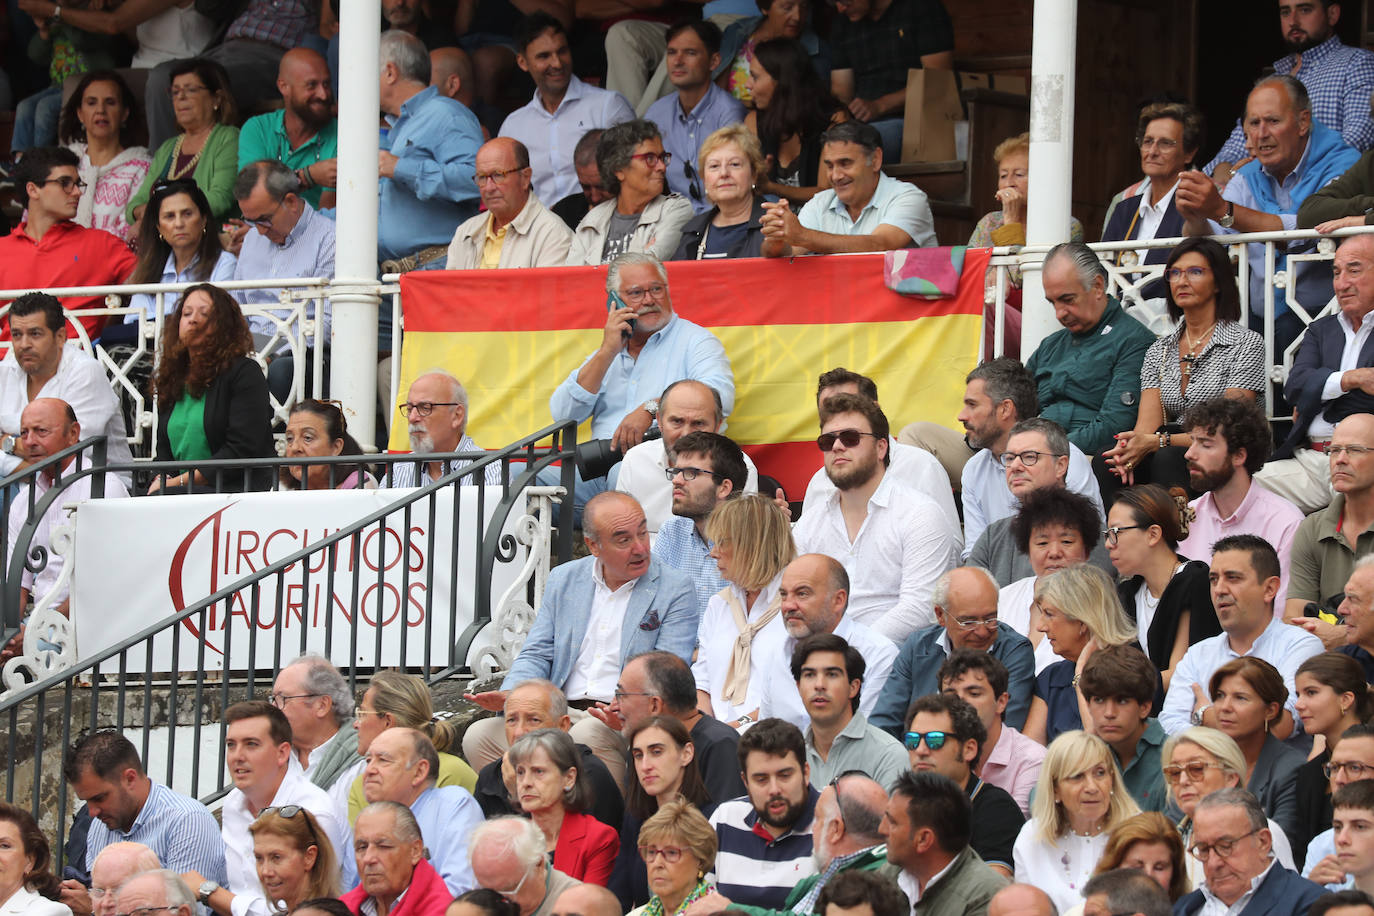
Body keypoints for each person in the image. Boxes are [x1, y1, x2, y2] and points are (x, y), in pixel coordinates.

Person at [466, 491, 697, 788]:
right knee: (479, 737)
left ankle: (595, 829)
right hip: (558, 713)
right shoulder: (565, 578)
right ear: (593, 546)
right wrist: (512, 694)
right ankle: (529, 820)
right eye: (624, 539)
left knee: (585, 736)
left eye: (642, 532)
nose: (640, 548)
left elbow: (669, 673)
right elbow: (538, 652)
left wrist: (628, 712)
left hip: (616, 718)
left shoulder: (675, 588)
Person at [1178, 76, 1360, 355]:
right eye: (1253, 123)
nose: (1261, 133)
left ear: (1302, 122)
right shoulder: (1248, 175)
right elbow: (1213, 239)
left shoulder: (1344, 164)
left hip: (1331, 323)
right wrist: (1195, 216)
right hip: (1259, 322)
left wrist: (1222, 210)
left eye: (1273, 121)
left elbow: (1309, 228)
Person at [548, 252, 734, 508]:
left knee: (623, 474)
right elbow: (562, 413)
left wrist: (653, 407)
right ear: (614, 302)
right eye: (636, 293)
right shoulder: (607, 353)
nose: (649, 300)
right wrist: (607, 352)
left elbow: (721, 397)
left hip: (666, 469)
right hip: (596, 473)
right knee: (516, 481)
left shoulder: (696, 341)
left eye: (656, 289)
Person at [1097, 237, 1266, 502]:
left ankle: (1180, 541)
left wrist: (1160, 442)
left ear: (1219, 282)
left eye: (1195, 272)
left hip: (1225, 449)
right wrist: (1129, 449)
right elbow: (1147, 428)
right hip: (1171, 445)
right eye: (1174, 273)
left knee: (1170, 457)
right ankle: (1123, 537)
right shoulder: (1159, 349)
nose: (1181, 281)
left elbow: (1230, 428)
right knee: (1109, 460)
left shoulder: (1245, 343)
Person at [792, 393, 960, 642]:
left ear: (881, 447)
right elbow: (794, 600)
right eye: (828, 440)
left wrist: (845, 651)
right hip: (819, 662)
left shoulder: (920, 513)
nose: (837, 446)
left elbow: (919, 609)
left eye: (850, 438)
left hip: (896, 666)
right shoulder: (810, 523)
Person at [189, 701, 347, 916]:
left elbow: (307, 910)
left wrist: (211, 894)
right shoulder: (234, 803)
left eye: (251, 744)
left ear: (282, 753)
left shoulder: (314, 812)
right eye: (231, 745)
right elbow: (240, 890)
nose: (237, 756)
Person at [1256, 234, 1374, 517]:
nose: (1342, 283)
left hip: (1363, 459)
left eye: (1354, 270)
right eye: (1336, 272)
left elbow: (1314, 391)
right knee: (1248, 490)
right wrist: (1351, 380)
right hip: (1311, 458)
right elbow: (1294, 388)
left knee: (1351, 503)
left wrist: (1319, 391)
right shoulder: (1321, 329)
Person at [1160, 535, 1325, 735]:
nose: (1219, 589)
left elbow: (1281, 726)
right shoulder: (1197, 654)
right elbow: (1169, 727)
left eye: (1233, 577)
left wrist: (1204, 714)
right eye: (1213, 579)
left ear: (1270, 589)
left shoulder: (1300, 646)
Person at [951, 358, 1105, 555]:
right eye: (1011, 459)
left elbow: (1088, 547)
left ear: (1005, 409)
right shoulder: (974, 468)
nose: (962, 416)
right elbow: (976, 552)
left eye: (972, 405)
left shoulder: (1065, 457)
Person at [62, 730, 225, 913]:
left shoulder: (187, 821)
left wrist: (91, 909)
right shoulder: (100, 824)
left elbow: (190, 912)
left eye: (100, 798)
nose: (92, 812)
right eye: (87, 801)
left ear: (130, 779)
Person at [1207, 0, 1374, 177]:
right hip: (1259, 195)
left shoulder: (1357, 64)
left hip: (1324, 194)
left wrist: (1267, 167)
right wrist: (1223, 171)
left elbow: (1356, 139)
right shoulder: (1273, 78)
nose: (1293, 21)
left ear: (1332, 14)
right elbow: (1237, 144)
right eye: (1285, 12)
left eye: (1305, 10)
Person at [1024, 243, 1158, 459]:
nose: (1059, 314)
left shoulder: (1133, 341)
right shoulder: (1051, 344)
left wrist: (1043, 452)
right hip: (1029, 454)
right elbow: (1014, 404)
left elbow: (1114, 426)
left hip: (1083, 458)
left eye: (1068, 300)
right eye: (1053, 302)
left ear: (1097, 286)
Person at [695, 772, 889, 916]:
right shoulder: (823, 877)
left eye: (818, 819)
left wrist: (728, 910)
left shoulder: (876, 880)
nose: (813, 829)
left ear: (836, 829)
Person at [873, 567, 1034, 738]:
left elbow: (1006, 728)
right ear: (940, 615)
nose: (982, 631)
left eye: (990, 619)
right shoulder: (919, 647)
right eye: (968, 622)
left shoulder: (1015, 651)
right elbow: (884, 723)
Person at [6, 398, 131, 617]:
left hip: (94, 625)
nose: (29, 442)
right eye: (24, 433)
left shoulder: (104, 489)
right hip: (41, 627)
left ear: (73, 434)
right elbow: (16, 584)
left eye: (41, 431)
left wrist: (38, 629)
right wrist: (11, 631)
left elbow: (101, 580)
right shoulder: (23, 500)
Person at [801, 368, 962, 538]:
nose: (838, 414)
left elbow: (951, 545)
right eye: (829, 410)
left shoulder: (921, 465)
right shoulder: (818, 482)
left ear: (874, 410)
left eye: (848, 405)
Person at [0, 147, 137, 344]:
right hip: (8, 366)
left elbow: (154, 285)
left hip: (74, 367)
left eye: (77, 184)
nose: (77, 192)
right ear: (33, 189)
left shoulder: (102, 245)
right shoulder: (2, 250)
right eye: (65, 183)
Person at [148, 284, 275, 492]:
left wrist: (175, 483)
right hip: (179, 494)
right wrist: (159, 478)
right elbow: (163, 454)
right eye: (186, 313)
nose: (193, 319)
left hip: (232, 493)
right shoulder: (171, 378)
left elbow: (240, 451)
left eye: (204, 313)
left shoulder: (244, 373)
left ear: (224, 325)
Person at [375, 30, 483, 276]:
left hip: (437, 268)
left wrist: (401, 168)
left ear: (390, 72)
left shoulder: (446, 113)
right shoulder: (398, 126)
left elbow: (475, 181)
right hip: (394, 276)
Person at [499, 13, 634, 209]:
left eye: (562, 51)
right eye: (544, 56)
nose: (557, 63)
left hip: (603, 227)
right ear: (522, 62)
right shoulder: (514, 126)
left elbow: (635, 174)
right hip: (541, 235)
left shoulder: (608, 106)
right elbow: (507, 192)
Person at [1178, 397, 1304, 606]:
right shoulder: (1187, 515)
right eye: (1192, 441)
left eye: (1205, 445)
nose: (1189, 453)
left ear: (1239, 456)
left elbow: (1282, 615)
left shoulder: (1285, 523)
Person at [970, 133, 1085, 357]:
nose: (1009, 183)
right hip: (990, 317)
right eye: (1003, 175)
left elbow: (1021, 279)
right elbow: (970, 273)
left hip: (1041, 320)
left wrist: (1011, 223)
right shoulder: (988, 223)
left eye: (1019, 174)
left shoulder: (1065, 226)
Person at [230, 160, 336, 404]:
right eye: (251, 222)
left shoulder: (330, 239)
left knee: (279, 371)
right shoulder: (253, 241)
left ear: (290, 201)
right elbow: (237, 309)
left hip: (302, 353)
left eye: (264, 220)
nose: (260, 231)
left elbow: (329, 324)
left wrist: (271, 350)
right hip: (251, 349)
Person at [967, 417, 1117, 587]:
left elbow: (1083, 604)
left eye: (1029, 457)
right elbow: (968, 598)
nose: (1015, 466)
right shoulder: (993, 535)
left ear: (1061, 465)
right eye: (1009, 458)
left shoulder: (1091, 532)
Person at [0, 292, 134, 479]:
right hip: (22, 484)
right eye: (16, 335)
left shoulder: (85, 372)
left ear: (61, 336)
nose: (24, 344)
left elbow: (68, 455)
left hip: (92, 487)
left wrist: (8, 443)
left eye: (35, 334)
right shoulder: (5, 371)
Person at [757, 553, 897, 731]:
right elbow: (766, 735)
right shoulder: (777, 652)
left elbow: (865, 739)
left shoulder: (878, 654)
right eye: (784, 595)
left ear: (838, 601)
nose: (788, 606)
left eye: (802, 594)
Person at [463, 679, 624, 830]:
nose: (519, 732)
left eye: (533, 720)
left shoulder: (588, 773)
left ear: (562, 725)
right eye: (511, 720)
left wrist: (518, 796)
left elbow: (577, 850)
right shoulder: (491, 776)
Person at [1011, 730, 1142, 914]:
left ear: (1112, 779)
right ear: (1055, 789)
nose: (1092, 787)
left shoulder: (1137, 833)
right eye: (1077, 776)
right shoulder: (1033, 836)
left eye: (1100, 773)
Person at [693, 493, 796, 725]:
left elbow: (795, 693)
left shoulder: (797, 607)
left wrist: (736, 727)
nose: (713, 553)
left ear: (752, 544)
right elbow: (702, 680)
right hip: (718, 736)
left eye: (722, 542)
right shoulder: (719, 604)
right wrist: (705, 729)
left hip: (773, 737)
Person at [760, 121, 935, 257]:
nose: (835, 176)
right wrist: (776, 239)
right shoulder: (820, 203)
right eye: (829, 166)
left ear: (875, 160)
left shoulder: (908, 197)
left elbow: (880, 244)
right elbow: (790, 251)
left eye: (845, 164)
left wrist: (802, 235)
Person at [595, 651, 745, 805]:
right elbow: (635, 823)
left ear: (655, 705)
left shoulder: (721, 745)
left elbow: (724, 825)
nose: (614, 706)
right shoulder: (641, 745)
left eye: (621, 695)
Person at [1109, 484, 1220, 689]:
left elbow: (1181, 674)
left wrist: (1117, 687)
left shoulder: (1194, 580)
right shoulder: (1127, 593)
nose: (1108, 543)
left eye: (1115, 532)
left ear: (1153, 534)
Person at [904, 692, 1024, 877]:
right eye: (912, 740)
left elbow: (991, 890)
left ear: (969, 749)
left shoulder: (996, 809)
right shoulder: (903, 804)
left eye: (935, 740)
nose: (920, 750)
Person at [616, 381, 758, 538]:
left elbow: (740, 540)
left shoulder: (740, 466)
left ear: (717, 426)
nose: (686, 434)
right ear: (660, 421)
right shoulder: (636, 460)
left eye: (698, 423)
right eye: (677, 421)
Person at [1162, 727, 1297, 887]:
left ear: (1230, 778)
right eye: (1175, 772)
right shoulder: (1168, 840)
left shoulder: (1263, 830)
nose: (1183, 780)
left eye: (1196, 769)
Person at [1023, 565, 1143, 744]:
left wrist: (1080, 674)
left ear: (1083, 621)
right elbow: (1029, 756)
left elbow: (1101, 747)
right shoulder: (1051, 678)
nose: (1040, 626)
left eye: (1049, 614)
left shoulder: (1134, 673)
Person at [708, 718, 819, 907]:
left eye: (784, 776)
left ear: (806, 773)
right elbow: (699, 903)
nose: (774, 789)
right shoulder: (724, 819)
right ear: (745, 782)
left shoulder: (832, 824)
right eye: (761, 779)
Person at [826, 0, 953, 163]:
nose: (840, 8)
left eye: (845, 1)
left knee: (858, 148)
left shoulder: (922, 7)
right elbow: (841, 93)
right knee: (825, 145)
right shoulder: (843, 24)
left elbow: (937, 80)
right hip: (860, 125)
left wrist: (880, 105)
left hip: (914, 121)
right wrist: (837, 122)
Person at [360, 728, 484, 894]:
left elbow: (461, 891)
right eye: (368, 760)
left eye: (383, 760)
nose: (369, 770)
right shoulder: (366, 823)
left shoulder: (452, 805)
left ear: (419, 772)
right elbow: (349, 896)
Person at [996, 488, 1104, 675]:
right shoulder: (1003, 599)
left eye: (1067, 542)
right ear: (1027, 551)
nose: (1054, 552)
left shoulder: (1100, 606)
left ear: (1086, 550)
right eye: (1042, 543)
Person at [609, 716, 713, 909]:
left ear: (686, 754)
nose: (645, 765)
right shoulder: (635, 818)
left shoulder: (712, 820)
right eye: (638, 755)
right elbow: (618, 894)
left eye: (656, 752)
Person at [349, 669, 479, 822]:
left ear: (387, 722)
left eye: (362, 714)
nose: (355, 724)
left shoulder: (450, 772)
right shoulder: (363, 782)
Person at [1205, 657, 1305, 851]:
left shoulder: (1291, 769)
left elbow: (1280, 846)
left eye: (1240, 698)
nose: (1225, 707)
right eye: (1219, 695)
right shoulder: (1200, 763)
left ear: (1270, 710)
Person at [644, 22, 746, 212]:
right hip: (670, 218)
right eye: (672, 52)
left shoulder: (730, 112)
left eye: (690, 53)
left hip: (721, 217)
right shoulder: (656, 113)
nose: (678, 61)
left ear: (714, 61)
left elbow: (734, 186)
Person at [1173, 788, 1325, 916]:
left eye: (1225, 846)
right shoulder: (1184, 908)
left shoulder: (1312, 905)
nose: (1213, 863)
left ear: (1263, 842)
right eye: (1203, 849)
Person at [1100, 103, 1203, 291]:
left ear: (1189, 154)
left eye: (1165, 143)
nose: (1152, 152)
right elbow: (1102, 273)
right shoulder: (1124, 210)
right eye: (1147, 141)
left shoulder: (1194, 206)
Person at [1287, 414, 1374, 635]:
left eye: (1354, 450)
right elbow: (1293, 618)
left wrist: (1344, 638)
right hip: (1326, 662)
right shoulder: (1312, 528)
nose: (1340, 459)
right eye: (1334, 450)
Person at [878, 770, 1008, 915]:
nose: (881, 830)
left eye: (892, 822)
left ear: (924, 840)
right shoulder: (890, 873)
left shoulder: (985, 898)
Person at [738, 38, 847, 209]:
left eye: (755, 77)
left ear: (782, 81)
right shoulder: (754, 122)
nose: (747, 85)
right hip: (771, 225)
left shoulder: (832, 120)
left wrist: (772, 188)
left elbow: (828, 193)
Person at [567, 119, 693, 264]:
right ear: (619, 169)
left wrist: (595, 273)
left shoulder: (676, 210)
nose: (662, 167)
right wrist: (638, 260)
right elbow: (572, 280)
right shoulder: (592, 221)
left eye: (662, 158)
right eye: (650, 158)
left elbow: (642, 273)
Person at [127, 59, 239, 223]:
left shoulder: (229, 138)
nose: (181, 97)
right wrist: (141, 212)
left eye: (191, 90)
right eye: (175, 92)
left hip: (211, 242)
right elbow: (135, 204)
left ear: (217, 99)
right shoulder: (168, 147)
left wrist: (160, 212)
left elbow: (220, 199)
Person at [937, 650, 1046, 817]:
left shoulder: (1032, 759)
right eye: (951, 696)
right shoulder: (933, 752)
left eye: (974, 694)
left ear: (1001, 702)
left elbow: (1012, 831)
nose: (960, 703)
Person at [791, 633, 906, 790]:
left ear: (854, 687)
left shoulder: (889, 755)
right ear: (798, 687)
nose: (819, 685)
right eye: (809, 675)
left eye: (832, 674)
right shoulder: (790, 754)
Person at [505, 729, 617, 885]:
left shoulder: (598, 838)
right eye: (520, 772)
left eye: (538, 771)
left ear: (569, 778)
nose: (526, 783)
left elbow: (588, 906)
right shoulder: (509, 839)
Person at [122, 180, 236, 331]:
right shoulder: (149, 270)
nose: (179, 223)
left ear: (204, 219)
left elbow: (221, 322)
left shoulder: (224, 264)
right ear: (159, 228)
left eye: (187, 214)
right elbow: (132, 325)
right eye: (169, 216)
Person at [445, 137, 574, 269]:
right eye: (482, 177)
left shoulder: (553, 234)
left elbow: (547, 289)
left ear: (525, 178)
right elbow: (450, 289)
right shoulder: (466, 232)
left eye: (498, 175)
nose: (489, 188)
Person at [236, 48, 338, 210]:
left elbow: (327, 219)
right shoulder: (258, 128)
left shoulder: (341, 135)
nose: (324, 94)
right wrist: (308, 176)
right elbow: (251, 191)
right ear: (284, 87)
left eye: (326, 84)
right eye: (311, 85)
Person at [1293, 653, 1373, 859]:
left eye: (1311, 692)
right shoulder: (1308, 775)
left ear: (1345, 699)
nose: (1298, 704)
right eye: (1298, 694)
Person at [270, 655, 365, 826]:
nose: (273, 709)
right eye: (273, 699)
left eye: (283, 699)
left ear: (322, 705)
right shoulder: (273, 758)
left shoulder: (361, 764)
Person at [57, 70, 151, 244]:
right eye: (91, 103)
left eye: (110, 103)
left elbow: (131, 235)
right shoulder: (61, 163)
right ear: (80, 114)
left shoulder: (142, 168)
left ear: (124, 113)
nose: (100, 110)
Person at [1078, 644, 1168, 813]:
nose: (1109, 713)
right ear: (1088, 705)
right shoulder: (1081, 752)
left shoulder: (1173, 755)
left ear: (1145, 707)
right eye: (1099, 700)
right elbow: (1039, 800)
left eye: (1122, 701)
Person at [386, 371, 501, 488]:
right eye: (409, 409)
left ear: (457, 415)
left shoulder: (488, 470)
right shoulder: (398, 472)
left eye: (425, 408)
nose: (412, 418)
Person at [669, 125, 767, 260]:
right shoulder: (693, 230)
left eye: (734, 164)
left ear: (754, 174)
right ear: (704, 179)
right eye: (714, 166)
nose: (724, 173)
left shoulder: (773, 224)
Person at [343, 802, 452, 916]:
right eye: (362, 847)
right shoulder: (343, 908)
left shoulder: (443, 911)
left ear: (415, 851)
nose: (368, 858)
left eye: (383, 846)